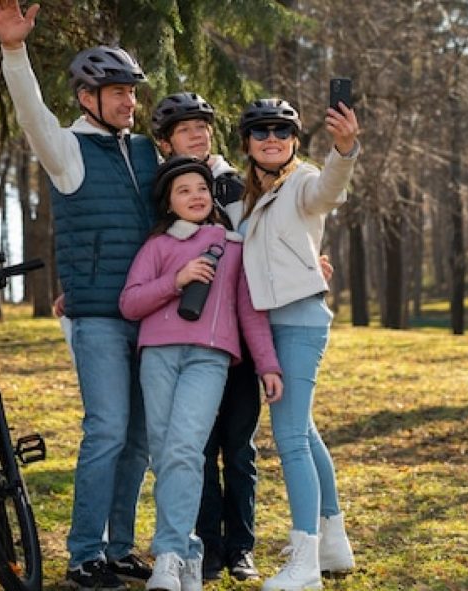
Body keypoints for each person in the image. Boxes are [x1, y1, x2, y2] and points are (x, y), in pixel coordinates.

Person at [0, 1, 157, 588]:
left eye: (132, 91)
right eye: (117, 92)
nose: (129, 101)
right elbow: (31, 113)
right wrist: (15, 50)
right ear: (88, 98)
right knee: (108, 429)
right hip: (99, 319)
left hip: (151, 316)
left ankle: (119, 547)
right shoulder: (68, 152)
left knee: (138, 438)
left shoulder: (146, 152)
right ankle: (85, 553)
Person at [119, 156, 283, 591]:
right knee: (164, 453)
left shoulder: (232, 247)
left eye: (201, 189)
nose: (195, 196)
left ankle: (168, 555)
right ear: (169, 203)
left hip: (209, 360)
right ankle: (188, 554)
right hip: (157, 356)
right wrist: (176, 280)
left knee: (186, 450)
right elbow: (130, 303)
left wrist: (267, 364)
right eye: (183, 190)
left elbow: (250, 313)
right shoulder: (156, 247)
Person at [233, 98, 359, 591]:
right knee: (302, 430)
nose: (271, 138)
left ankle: (304, 561)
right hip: (266, 324)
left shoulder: (303, 181)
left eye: (281, 131)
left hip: (302, 321)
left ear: (294, 141)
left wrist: (344, 149)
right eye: (261, 131)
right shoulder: (243, 196)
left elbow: (329, 189)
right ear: (247, 142)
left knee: (288, 437)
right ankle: (333, 541)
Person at [150, 92, 264, 583]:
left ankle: (241, 547)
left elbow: (265, 241)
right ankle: (206, 546)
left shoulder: (237, 186)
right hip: (183, 341)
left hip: (238, 335)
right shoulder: (162, 192)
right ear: (165, 142)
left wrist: (311, 261)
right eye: (185, 129)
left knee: (238, 446)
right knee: (195, 446)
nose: (197, 134)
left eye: (203, 127)